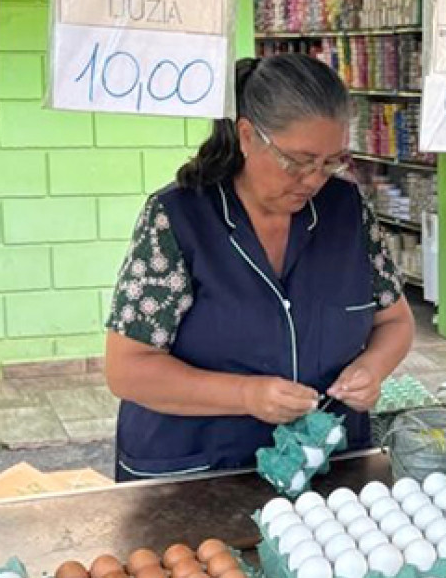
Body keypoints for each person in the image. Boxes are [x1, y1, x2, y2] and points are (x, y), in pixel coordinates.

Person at [103, 53, 414, 481]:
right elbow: (128, 369)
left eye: (331, 162)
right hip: (197, 472)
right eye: (298, 161)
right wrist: (246, 394)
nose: (314, 179)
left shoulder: (347, 211)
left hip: (323, 462)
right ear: (248, 135)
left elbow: (395, 322)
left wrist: (371, 369)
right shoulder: (178, 218)